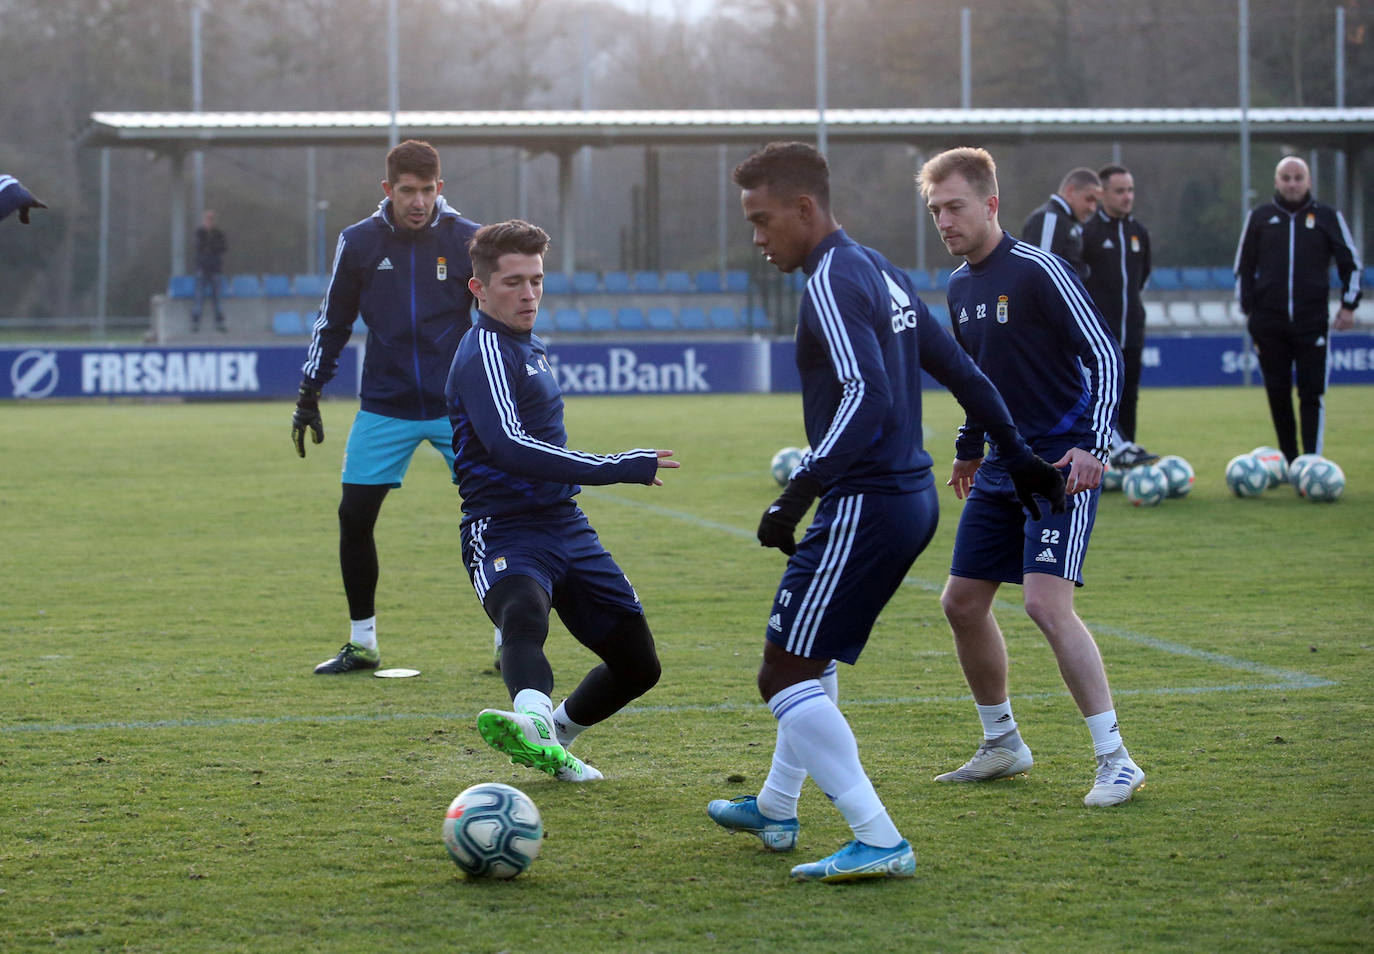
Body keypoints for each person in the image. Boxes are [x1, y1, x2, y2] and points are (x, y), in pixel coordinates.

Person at [704, 142, 1065, 883]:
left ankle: (877, 837)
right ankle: (775, 806)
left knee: (781, 674)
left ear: (805, 208)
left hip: (867, 502)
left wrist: (799, 490)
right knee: (809, 653)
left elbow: (865, 395)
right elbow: (965, 372)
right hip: (908, 498)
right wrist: (1020, 454)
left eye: (763, 220)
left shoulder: (832, 280)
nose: (757, 237)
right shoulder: (880, 270)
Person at [919, 146, 1146, 808]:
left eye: (955, 207)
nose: (945, 221)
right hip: (1002, 464)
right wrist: (968, 446)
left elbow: (1104, 354)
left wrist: (1094, 446)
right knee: (961, 603)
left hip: (1059, 467)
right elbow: (976, 380)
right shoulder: (959, 287)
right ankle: (1002, 743)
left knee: (1046, 605)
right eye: (935, 211)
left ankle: (1117, 760)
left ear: (991, 204)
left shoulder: (1040, 270)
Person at [447, 219, 678, 783]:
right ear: (479, 288)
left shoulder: (530, 346)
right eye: (513, 283)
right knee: (523, 614)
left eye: (536, 280)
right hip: (502, 526)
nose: (529, 294)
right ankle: (531, 718)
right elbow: (510, 446)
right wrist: (617, 467)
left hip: (565, 525)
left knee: (638, 666)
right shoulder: (484, 351)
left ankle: (552, 734)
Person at [292, 139, 481, 674]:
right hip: (385, 405)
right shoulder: (358, 242)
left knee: (501, 513)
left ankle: (509, 639)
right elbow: (333, 322)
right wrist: (309, 393)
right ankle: (363, 643)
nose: (418, 202)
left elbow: (498, 320)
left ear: (440, 188)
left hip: (458, 408)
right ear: (388, 189)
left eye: (427, 191)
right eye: (407, 191)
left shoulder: (469, 240)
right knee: (354, 516)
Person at [1234, 155, 1362, 464]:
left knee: (1311, 392)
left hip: (1311, 321)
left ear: (1308, 181)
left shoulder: (1327, 217)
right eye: (1286, 178)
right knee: (1277, 393)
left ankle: (1312, 461)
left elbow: (1351, 264)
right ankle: (1291, 461)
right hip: (1269, 323)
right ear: (1276, 181)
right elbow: (1243, 267)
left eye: (1298, 177)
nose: (1292, 184)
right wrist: (1249, 310)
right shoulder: (1259, 217)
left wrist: (1348, 305)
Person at [1083, 164, 1158, 468]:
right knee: (1103, 399)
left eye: (1130, 190)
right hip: (1102, 336)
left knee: (1129, 397)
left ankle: (1127, 461)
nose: (1127, 197)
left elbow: (1142, 277)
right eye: (1120, 191)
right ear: (1102, 194)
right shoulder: (1088, 232)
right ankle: (1101, 461)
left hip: (1133, 330)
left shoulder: (1139, 232)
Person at [1022, 167, 1101, 280]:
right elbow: (1041, 272)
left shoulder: (1068, 221)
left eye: (1096, 202)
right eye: (1089, 199)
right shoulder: (1050, 218)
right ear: (1070, 191)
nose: (1092, 208)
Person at [191, 209, 228, 333]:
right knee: (199, 298)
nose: (209, 222)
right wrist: (210, 246)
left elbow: (223, 248)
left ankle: (220, 322)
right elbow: (199, 247)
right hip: (202, 269)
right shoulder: (199, 233)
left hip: (215, 270)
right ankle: (195, 322)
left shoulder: (219, 234)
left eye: (211, 220)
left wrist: (210, 246)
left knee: (217, 299)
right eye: (207, 219)